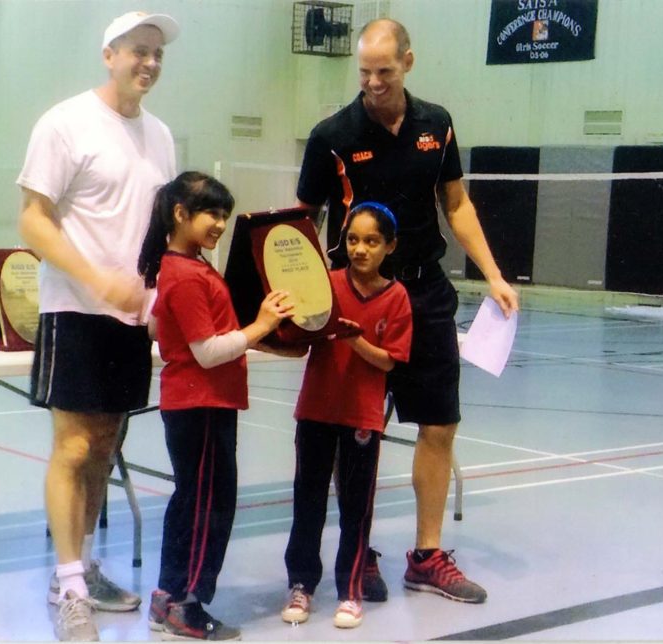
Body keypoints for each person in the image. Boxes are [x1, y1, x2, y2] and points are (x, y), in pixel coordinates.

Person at [295, 18, 520, 604]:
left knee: (438, 424)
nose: (372, 83)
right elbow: (300, 223)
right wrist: (311, 296)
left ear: (409, 63)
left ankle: (426, 555)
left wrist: (493, 273)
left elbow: (457, 203)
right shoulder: (332, 135)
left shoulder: (436, 124)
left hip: (426, 295)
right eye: (364, 72)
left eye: (384, 71)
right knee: (355, 431)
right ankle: (357, 549)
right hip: (360, 299)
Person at [16, 10, 180, 642]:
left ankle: (78, 570)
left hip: (132, 319)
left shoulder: (160, 136)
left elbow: (159, 229)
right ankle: (71, 587)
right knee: (75, 447)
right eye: (139, 51)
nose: (150, 63)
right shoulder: (65, 123)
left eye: (158, 54)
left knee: (106, 447)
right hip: (74, 312)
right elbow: (33, 220)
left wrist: (159, 295)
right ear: (109, 54)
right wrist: (96, 278)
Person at [138, 172, 294, 641]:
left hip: (200, 404)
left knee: (191, 500)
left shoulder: (187, 266)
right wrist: (262, 326)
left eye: (225, 215)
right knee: (209, 505)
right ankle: (187, 604)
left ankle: (168, 597)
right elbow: (206, 352)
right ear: (180, 214)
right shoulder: (185, 273)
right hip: (200, 405)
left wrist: (260, 335)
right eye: (211, 213)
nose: (220, 224)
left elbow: (157, 330)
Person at [280, 202, 412, 629]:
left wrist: (354, 340)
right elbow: (301, 334)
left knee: (356, 508)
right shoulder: (327, 285)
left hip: (362, 418)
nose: (360, 249)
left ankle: (351, 589)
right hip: (316, 411)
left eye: (372, 241)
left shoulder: (396, 298)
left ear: (389, 246)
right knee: (308, 502)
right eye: (353, 240)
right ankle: (301, 584)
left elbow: (389, 362)